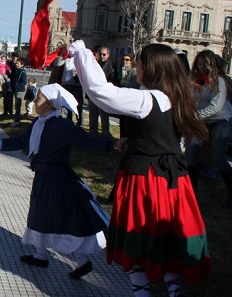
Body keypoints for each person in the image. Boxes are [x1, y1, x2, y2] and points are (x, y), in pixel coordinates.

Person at [69, 40, 211, 296]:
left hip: (146, 177)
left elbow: (101, 92)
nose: (137, 67)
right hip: (174, 179)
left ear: (151, 68)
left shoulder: (145, 99)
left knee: (139, 235)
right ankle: (172, 287)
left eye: (140, 63)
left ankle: (143, 291)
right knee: (167, 235)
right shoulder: (178, 96)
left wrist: (81, 52)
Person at [0, 84, 120, 279]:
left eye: (39, 99)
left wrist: (112, 144)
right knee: (40, 214)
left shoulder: (61, 125)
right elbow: (21, 141)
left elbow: (85, 140)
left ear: (51, 104)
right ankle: (42, 255)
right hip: (44, 175)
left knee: (59, 217)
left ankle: (81, 260)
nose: (35, 102)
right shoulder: (39, 122)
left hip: (57, 178)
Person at [185, 49, 232, 208]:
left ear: (211, 65)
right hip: (200, 119)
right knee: (191, 153)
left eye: (204, 64)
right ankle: (191, 195)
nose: (201, 67)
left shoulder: (218, 81)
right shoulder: (193, 79)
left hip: (221, 119)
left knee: (218, 156)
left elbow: (216, 107)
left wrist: (194, 116)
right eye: (198, 63)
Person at [88, 46, 119, 137]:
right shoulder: (95, 64)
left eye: (104, 54)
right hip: (94, 93)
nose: (102, 56)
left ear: (108, 55)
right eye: (100, 54)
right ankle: (93, 133)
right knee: (93, 115)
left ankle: (105, 135)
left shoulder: (111, 65)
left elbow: (113, 79)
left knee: (104, 117)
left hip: (104, 94)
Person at [59, 57, 84, 126]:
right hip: (66, 84)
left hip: (78, 86)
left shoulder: (81, 58)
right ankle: (68, 122)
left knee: (78, 106)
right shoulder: (66, 58)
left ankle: (80, 123)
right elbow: (58, 63)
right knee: (67, 105)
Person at [11, 57, 28, 127]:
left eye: (18, 63)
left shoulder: (22, 72)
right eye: (16, 63)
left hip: (20, 91)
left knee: (18, 106)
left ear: (22, 64)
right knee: (16, 106)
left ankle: (17, 121)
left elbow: (24, 82)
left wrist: (17, 86)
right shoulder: (17, 70)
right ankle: (16, 118)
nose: (16, 64)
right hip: (16, 90)